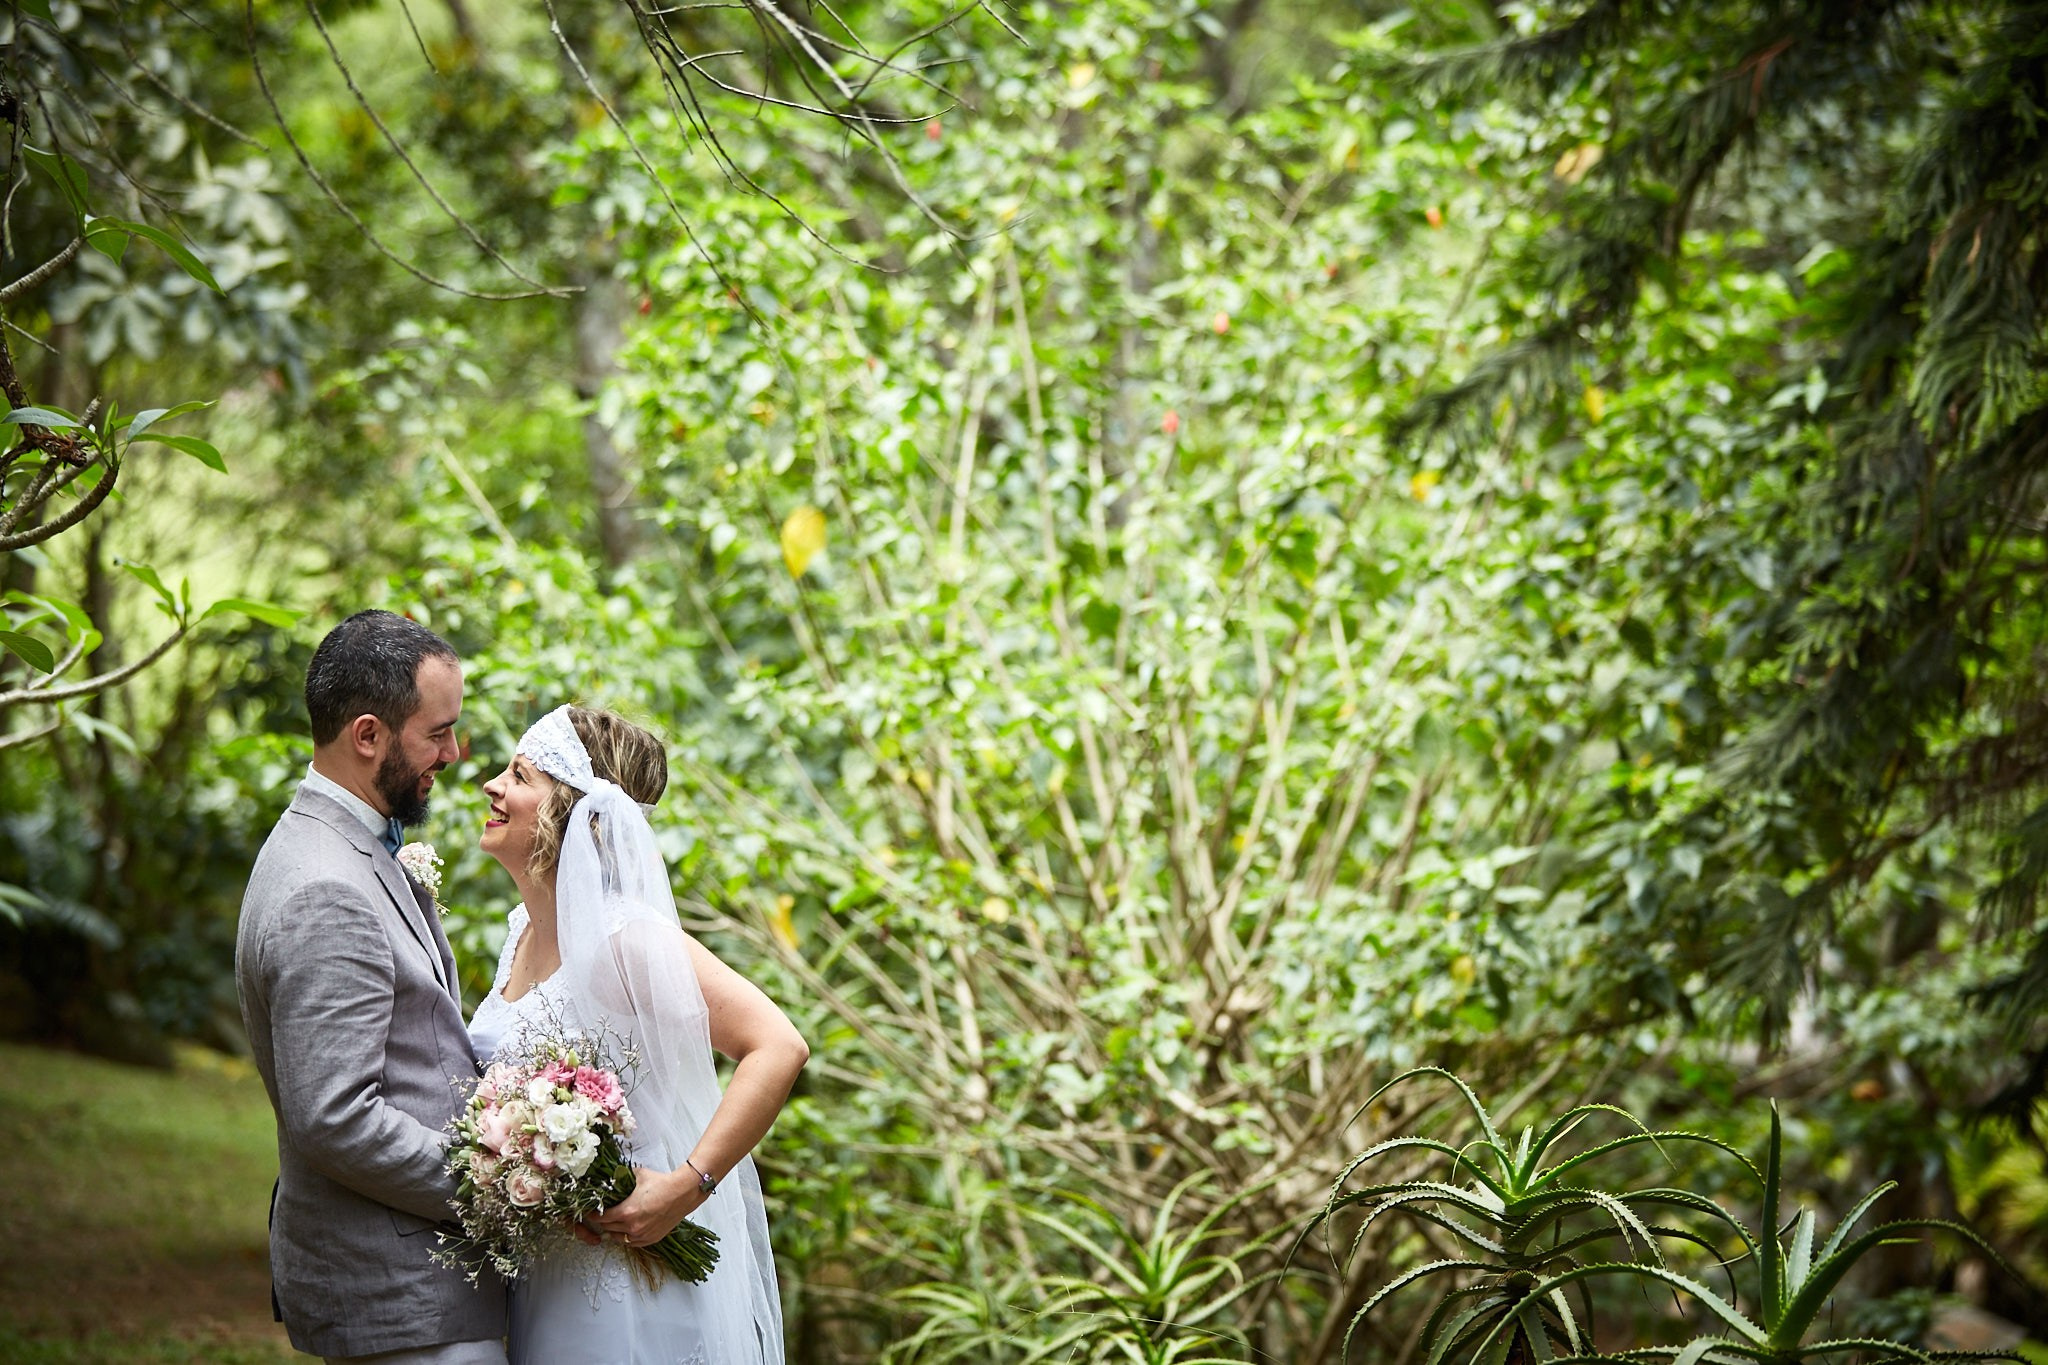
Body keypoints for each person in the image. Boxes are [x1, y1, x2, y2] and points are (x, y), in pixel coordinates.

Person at [469, 704, 807, 1364]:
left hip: (623, 1279)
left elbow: (778, 1043)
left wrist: (685, 1187)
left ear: (567, 811)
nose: (491, 785)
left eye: (518, 774)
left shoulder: (626, 938)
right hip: (546, 1271)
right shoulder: (522, 931)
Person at [236, 609, 509, 1364]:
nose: (456, 753)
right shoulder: (326, 886)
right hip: (402, 1294)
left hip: (420, 1285)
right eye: (437, 731)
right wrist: (506, 1184)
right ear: (367, 735)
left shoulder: (338, 844)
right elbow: (336, 1117)